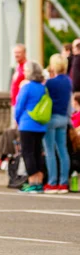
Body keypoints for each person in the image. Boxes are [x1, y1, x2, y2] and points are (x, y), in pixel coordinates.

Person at [15, 60, 47, 193]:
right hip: (40, 125)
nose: (24, 73)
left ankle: (32, 181)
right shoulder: (43, 88)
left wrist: (17, 120)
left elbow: (19, 106)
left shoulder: (27, 87)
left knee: (27, 153)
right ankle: (39, 181)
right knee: (38, 153)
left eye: (26, 71)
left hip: (27, 124)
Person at [43, 54, 72, 194]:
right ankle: (64, 183)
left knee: (50, 151)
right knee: (63, 150)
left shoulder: (50, 83)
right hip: (63, 118)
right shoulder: (68, 81)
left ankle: (52, 182)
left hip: (51, 118)